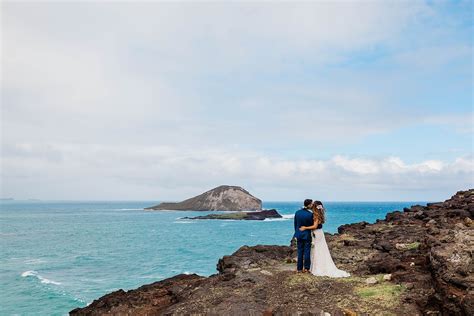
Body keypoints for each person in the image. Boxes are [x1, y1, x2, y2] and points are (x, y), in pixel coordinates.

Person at [300, 201, 350, 278]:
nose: (311, 205)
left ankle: (318, 267)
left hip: (316, 233)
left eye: (313, 205)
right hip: (320, 233)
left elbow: (314, 226)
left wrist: (305, 227)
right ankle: (316, 266)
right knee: (320, 249)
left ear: (314, 206)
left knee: (318, 249)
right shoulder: (320, 214)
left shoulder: (315, 215)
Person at [293, 199, 314, 273]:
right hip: (307, 235)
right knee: (307, 251)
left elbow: (295, 224)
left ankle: (299, 269)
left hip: (299, 234)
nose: (312, 205)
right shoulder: (310, 214)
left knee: (300, 251)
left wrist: (297, 232)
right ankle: (307, 268)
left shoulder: (297, 212)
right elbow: (312, 225)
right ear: (308, 205)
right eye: (311, 204)